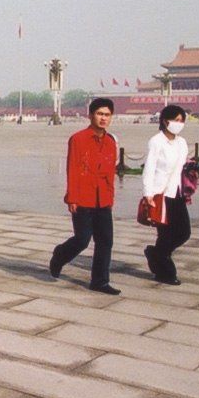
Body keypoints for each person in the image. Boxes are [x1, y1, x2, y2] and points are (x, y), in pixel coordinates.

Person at [49, 98, 120, 294]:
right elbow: (72, 168)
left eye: (107, 115)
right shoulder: (78, 139)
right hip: (83, 197)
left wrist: (110, 197)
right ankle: (60, 254)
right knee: (82, 239)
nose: (103, 118)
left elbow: (110, 172)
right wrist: (72, 197)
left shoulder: (111, 141)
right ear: (90, 115)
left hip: (103, 198)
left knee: (105, 241)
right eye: (99, 114)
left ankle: (100, 281)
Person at [142, 105, 191, 286]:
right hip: (159, 194)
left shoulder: (182, 142)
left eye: (182, 121)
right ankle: (166, 272)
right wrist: (148, 193)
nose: (179, 124)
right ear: (165, 121)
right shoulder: (157, 141)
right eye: (176, 120)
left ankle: (156, 254)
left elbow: (181, 167)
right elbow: (149, 168)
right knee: (165, 234)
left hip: (176, 192)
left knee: (183, 232)